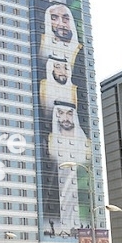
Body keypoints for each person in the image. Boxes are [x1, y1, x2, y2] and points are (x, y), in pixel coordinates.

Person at [48, 99, 90, 230]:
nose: (65, 118)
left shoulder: (86, 143)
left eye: (69, 114)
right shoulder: (51, 141)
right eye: (61, 113)